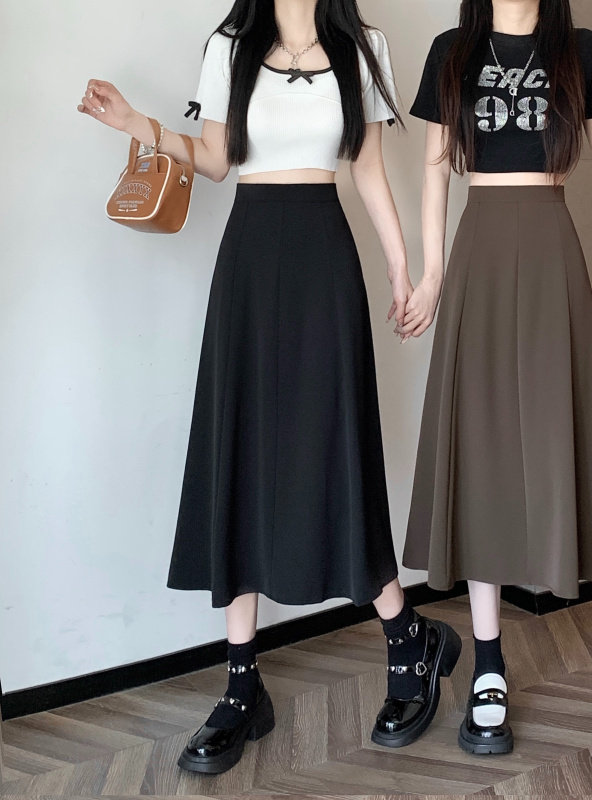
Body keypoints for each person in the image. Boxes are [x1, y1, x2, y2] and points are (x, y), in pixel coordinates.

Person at [77, 0, 461, 775]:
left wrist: (405, 270)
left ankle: (407, 642)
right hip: (249, 261)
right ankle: (242, 685)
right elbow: (218, 160)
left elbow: (367, 166)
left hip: (325, 258)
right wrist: (135, 124)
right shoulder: (230, 46)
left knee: (336, 449)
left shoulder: (362, 45)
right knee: (242, 451)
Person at [399, 0, 592, 758]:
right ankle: (489, 664)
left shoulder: (581, 48)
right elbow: (435, 171)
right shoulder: (452, 49)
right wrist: (432, 275)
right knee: (481, 455)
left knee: (567, 451)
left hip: (549, 254)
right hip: (477, 255)